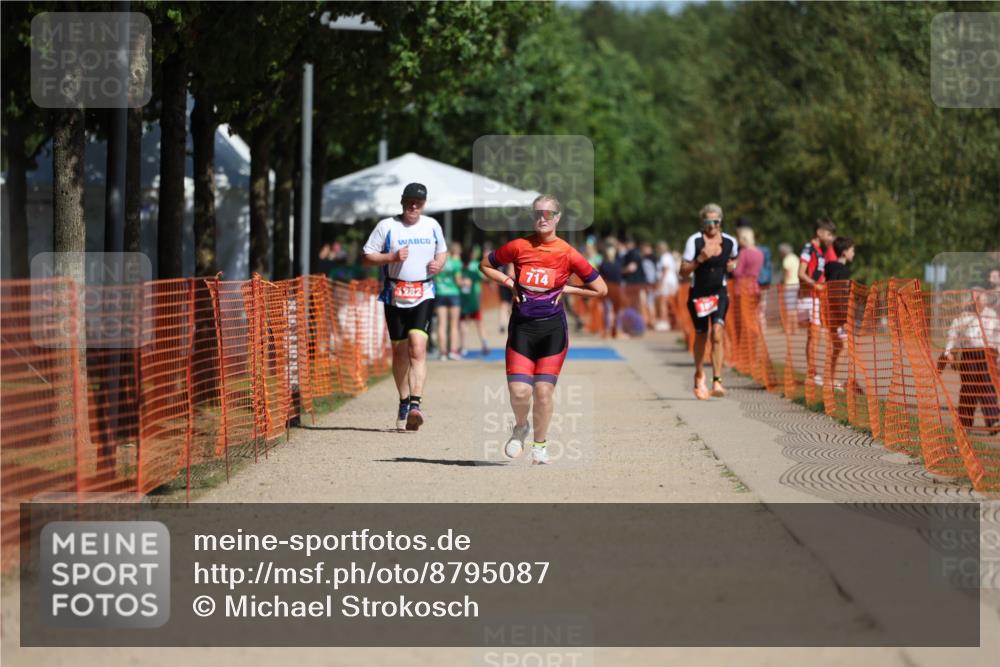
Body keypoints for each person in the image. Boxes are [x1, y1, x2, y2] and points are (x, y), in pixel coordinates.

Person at [479, 195, 608, 465]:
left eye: (548, 214)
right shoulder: (518, 246)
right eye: (538, 213)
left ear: (557, 218)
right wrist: (508, 281)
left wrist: (566, 288)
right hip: (522, 329)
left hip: (552, 330)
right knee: (519, 392)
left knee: (543, 391)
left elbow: (601, 289)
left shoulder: (568, 253)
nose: (542, 218)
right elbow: (486, 265)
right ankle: (520, 426)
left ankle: (540, 445)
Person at [362, 182, 446, 431]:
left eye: (418, 202)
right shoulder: (387, 226)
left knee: (417, 349)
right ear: (402, 201)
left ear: (424, 204)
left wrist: (439, 265)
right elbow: (366, 257)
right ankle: (403, 400)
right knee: (399, 353)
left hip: (424, 292)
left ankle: (415, 405)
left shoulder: (432, 225)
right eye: (410, 200)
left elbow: (442, 252)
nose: (413, 205)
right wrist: (391, 257)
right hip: (395, 294)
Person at [679, 203, 738, 400]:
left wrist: (732, 266)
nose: (711, 226)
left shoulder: (730, 241)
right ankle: (699, 373)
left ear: (721, 222)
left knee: (718, 333)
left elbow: (733, 260)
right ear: (702, 222)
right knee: (702, 335)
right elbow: (683, 271)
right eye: (708, 222)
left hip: (719, 293)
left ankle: (717, 380)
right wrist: (700, 259)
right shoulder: (694, 241)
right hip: (699, 294)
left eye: (715, 221)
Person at [942, 287, 999, 435]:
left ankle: (993, 421)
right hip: (970, 355)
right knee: (969, 389)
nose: (979, 298)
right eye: (975, 296)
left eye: (981, 296)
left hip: (988, 354)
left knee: (988, 387)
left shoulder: (991, 316)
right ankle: (965, 423)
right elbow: (953, 335)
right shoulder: (964, 317)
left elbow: (997, 338)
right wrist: (949, 352)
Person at [797, 217, 837, 385]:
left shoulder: (820, 251)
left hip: (815, 297)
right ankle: (811, 374)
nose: (831, 238)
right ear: (819, 232)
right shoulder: (809, 249)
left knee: (815, 336)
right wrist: (816, 285)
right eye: (829, 234)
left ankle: (812, 372)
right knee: (814, 336)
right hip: (809, 297)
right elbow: (801, 273)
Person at [823, 237, 855, 387]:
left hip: (830, 310)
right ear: (844, 253)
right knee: (842, 347)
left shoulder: (829, 268)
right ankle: (832, 379)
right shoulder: (842, 271)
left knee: (837, 346)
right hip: (838, 314)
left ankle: (830, 377)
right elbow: (839, 294)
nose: (853, 253)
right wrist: (844, 317)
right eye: (852, 250)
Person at [433, 242, 464, 361]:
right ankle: (453, 351)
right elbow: (458, 281)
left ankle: (442, 353)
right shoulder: (456, 263)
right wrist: (464, 283)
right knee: (454, 324)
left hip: (440, 293)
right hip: (453, 294)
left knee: (441, 324)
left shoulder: (438, 262)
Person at [459, 246, 490, 356]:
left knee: (463, 322)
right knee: (479, 322)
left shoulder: (458, 270)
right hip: (473, 298)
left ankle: (463, 347)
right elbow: (485, 278)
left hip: (461, 299)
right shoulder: (473, 270)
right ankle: (485, 343)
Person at [599, 241, 625, 338]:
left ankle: (614, 330)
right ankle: (609, 330)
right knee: (609, 310)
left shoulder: (616, 263)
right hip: (610, 288)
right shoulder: (606, 264)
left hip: (614, 288)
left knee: (613, 310)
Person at [655, 241, 679, 331]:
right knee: (670, 302)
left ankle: (664, 320)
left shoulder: (664, 257)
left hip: (666, 281)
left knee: (663, 301)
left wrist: (660, 282)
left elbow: (665, 270)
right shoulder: (669, 256)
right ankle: (672, 321)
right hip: (672, 281)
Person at [779, 242, 799, 327]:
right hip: (797, 284)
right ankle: (795, 326)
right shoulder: (795, 257)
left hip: (789, 284)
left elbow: (787, 273)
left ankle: (789, 327)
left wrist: (783, 283)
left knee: (789, 307)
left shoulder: (787, 259)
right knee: (794, 307)